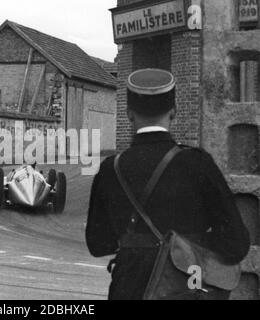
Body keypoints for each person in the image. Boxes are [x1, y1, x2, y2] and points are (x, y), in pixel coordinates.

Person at [85, 68, 250, 300]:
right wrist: (185, 245)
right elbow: (236, 244)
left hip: (128, 288)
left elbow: (98, 244)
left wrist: (138, 244)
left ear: (129, 113)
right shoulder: (198, 163)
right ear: (174, 111)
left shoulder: (110, 169)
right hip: (188, 289)